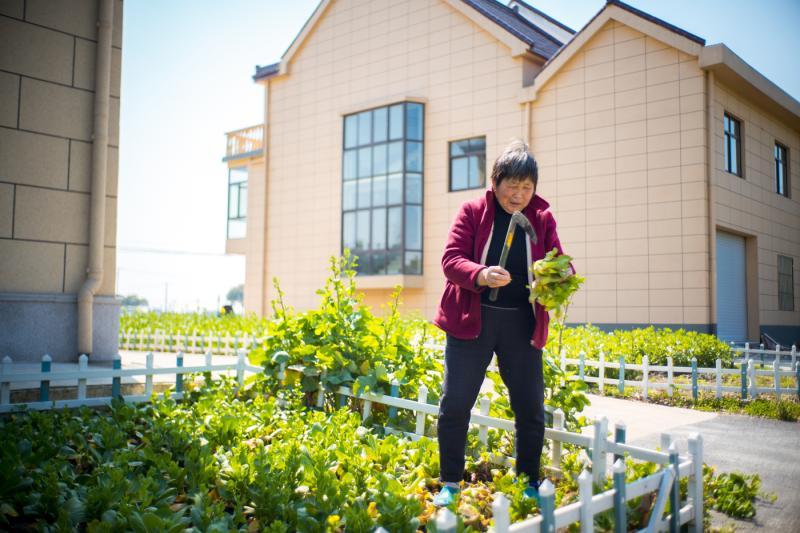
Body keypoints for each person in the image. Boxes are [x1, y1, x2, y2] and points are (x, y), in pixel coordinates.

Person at [431, 139, 572, 507]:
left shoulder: (542, 218)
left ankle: (528, 480)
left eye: (527, 187)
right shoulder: (473, 211)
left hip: (521, 324)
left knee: (530, 406)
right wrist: (479, 274)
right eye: (513, 185)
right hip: (473, 320)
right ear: (495, 181)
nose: (519, 194)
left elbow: (563, 262)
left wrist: (557, 275)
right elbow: (450, 260)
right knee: (456, 403)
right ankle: (450, 483)